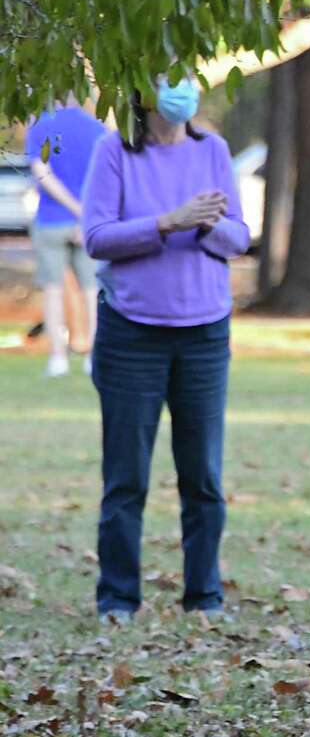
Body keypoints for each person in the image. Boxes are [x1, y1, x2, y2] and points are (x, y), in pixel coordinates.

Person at [81, 74, 249, 623]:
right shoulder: (115, 151)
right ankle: (118, 599)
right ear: (142, 91)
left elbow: (238, 239)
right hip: (131, 334)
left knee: (202, 476)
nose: (181, 91)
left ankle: (204, 598)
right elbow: (98, 238)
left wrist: (206, 226)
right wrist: (167, 221)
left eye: (187, 79)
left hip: (204, 334)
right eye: (166, 80)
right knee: (126, 476)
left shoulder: (213, 150)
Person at [23, 97, 107, 376]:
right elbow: (104, 176)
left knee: (53, 289)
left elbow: (42, 174)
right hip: (88, 222)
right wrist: (85, 213)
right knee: (92, 290)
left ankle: (58, 357)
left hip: (51, 220)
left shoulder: (40, 126)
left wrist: (71, 208)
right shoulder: (96, 128)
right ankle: (94, 356)